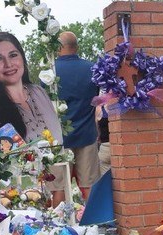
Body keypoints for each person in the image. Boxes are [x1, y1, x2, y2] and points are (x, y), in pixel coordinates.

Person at [0, 32, 64, 199]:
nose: (8, 64)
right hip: (17, 198)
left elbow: (57, 143)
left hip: (56, 190)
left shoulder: (38, 92)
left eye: (13, 55)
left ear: (22, 58)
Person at [55, 31, 101, 201]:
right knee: (89, 186)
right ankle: (95, 225)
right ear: (77, 47)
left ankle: (55, 226)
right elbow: (97, 99)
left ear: (58, 47)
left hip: (58, 140)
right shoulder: (92, 69)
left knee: (58, 188)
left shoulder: (50, 72)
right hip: (86, 134)